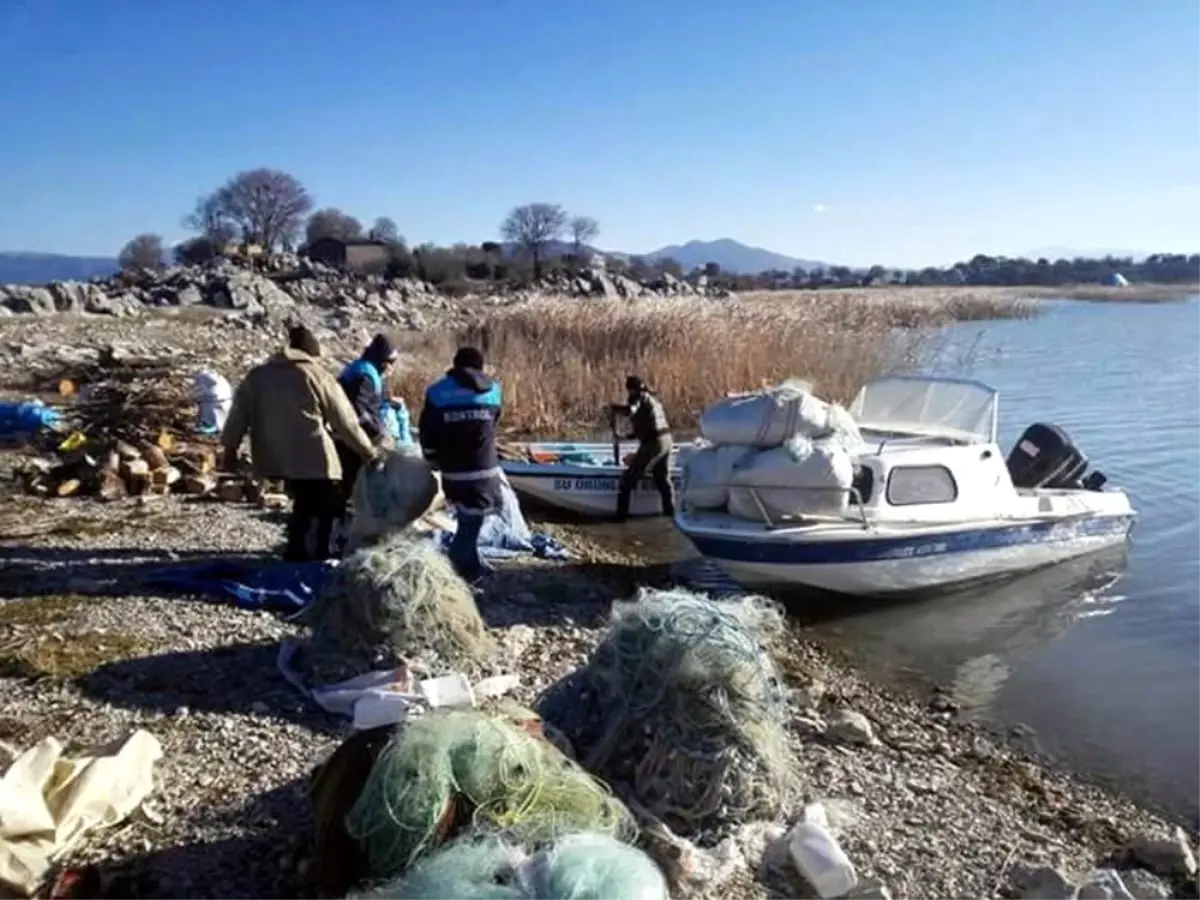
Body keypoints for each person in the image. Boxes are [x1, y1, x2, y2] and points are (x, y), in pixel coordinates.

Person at [220, 325, 381, 563]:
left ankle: (296, 551)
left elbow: (237, 415)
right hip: (313, 454)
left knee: (303, 502)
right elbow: (345, 422)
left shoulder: (258, 375)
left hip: (273, 455)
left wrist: (230, 449)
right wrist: (368, 452)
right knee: (330, 502)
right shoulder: (317, 375)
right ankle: (323, 554)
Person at [418, 346, 503, 581]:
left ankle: (472, 570)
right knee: (470, 525)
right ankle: (450, 575)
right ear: (481, 367)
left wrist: (431, 457)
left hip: (453, 472)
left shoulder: (437, 392)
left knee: (468, 522)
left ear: (454, 366)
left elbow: (427, 432)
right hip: (485, 471)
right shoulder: (494, 391)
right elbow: (493, 424)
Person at [336, 333, 400, 502]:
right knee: (354, 472)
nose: (391, 368)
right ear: (383, 361)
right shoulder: (364, 375)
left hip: (355, 429)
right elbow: (358, 410)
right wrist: (377, 433)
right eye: (391, 363)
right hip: (351, 433)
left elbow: (376, 400)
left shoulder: (369, 371)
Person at [610, 375, 674, 522]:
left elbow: (631, 411)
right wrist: (624, 437)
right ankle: (671, 516)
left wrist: (616, 409)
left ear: (631, 389)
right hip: (667, 441)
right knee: (662, 480)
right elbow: (647, 428)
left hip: (654, 444)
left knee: (628, 480)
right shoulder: (653, 401)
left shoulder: (637, 398)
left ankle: (620, 519)